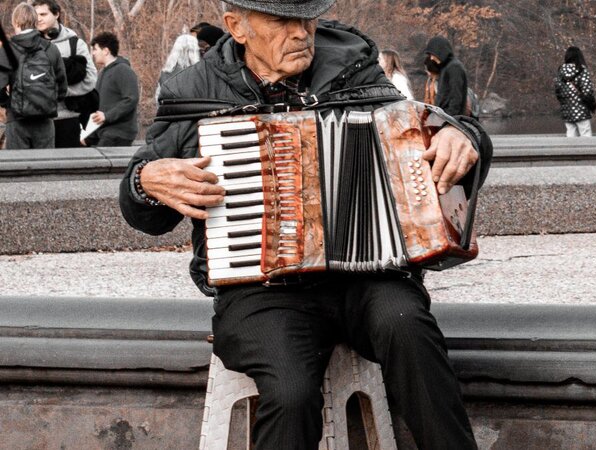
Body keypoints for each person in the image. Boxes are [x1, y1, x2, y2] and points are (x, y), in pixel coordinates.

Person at [118, 0, 492, 448]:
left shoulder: (354, 69)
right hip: (261, 291)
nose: (300, 33)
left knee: (408, 326)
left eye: (306, 19)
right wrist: (145, 180)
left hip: (367, 279)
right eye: (281, 21)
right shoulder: (195, 91)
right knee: (291, 390)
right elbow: (148, 215)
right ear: (237, 27)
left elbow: (427, 132)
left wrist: (461, 135)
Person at [0, 3, 67, 149]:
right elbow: (62, 87)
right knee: (45, 166)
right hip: (45, 121)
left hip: (16, 121)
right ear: (35, 22)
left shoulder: (7, 50)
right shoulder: (50, 49)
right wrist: (46, 101)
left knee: (18, 167)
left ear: (15, 22)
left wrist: (9, 104)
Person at [31, 0, 97, 148]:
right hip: (38, 120)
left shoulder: (75, 44)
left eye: (43, 14)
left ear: (56, 14)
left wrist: (61, 91)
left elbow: (90, 79)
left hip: (69, 119)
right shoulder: (29, 44)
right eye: (35, 15)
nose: (39, 19)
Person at [83, 32, 139, 147]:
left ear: (106, 51)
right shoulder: (104, 72)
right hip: (102, 131)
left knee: (99, 164)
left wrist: (107, 116)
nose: (93, 53)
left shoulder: (123, 70)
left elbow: (131, 99)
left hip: (119, 132)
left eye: (95, 49)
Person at [554, 46, 594, 137]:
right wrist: (591, 104)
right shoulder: (582, 69)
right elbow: (587, 91)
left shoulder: (561, 71)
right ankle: (586, 152)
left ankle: (569, 151)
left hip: (567, 109)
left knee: (571, 133)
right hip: (581, 109)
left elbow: (558, 91)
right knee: (586, 134)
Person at [423, 35, 468, 116]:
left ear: (440, 51)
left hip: (451, 118)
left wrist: (448, 118)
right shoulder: (445, 67)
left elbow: (456, 97)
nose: (431, 58)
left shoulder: (454, 67)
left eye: (433, 54)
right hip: (443, 116)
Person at [155, 34, 200, 101]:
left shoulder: (165, 74)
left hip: (169, 110)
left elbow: (158, 99)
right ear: (194, 51)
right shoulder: (199, 76)